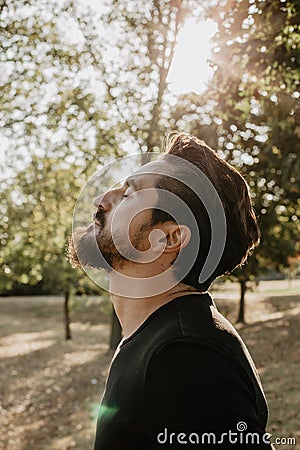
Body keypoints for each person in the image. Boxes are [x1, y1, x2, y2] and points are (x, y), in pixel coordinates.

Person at [67, 132, 275, 449]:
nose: (101, 200)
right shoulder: (162, 338)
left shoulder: (185, 357)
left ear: (168, 239)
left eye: (128, 193)